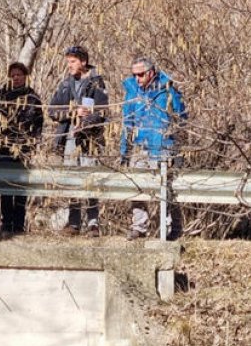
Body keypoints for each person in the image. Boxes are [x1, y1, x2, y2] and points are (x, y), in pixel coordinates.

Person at [120, 55, 187, 240]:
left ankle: (172, 228)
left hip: (163, 145)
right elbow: (127, 122)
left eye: (140, 75)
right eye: (134, 75)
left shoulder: (167, 89)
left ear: (151, 73)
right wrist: (124, 151)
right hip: (142, 144)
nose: (137, 79)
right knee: (137, 185)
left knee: (166, 189)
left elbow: (181, 117)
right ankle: (139, 225)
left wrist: (172, 140)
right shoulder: (132, 91)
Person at [48, 45, 108, 236]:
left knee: (90, 179)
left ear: (83, 61)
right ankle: (73, 223)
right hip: (69, 139)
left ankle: (93, 223)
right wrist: (72, 113)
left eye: (73, 62)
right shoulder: (65, 85)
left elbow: (103, 111)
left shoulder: (96, 82)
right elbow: (52, 111)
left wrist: (86, 120)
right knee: (72, 180)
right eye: (68, 62)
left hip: (90, 138)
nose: (70, 66)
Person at [0, 62, 44, 233]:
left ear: (25, 76)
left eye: (19, 75)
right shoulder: (1, 95)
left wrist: (31, 140)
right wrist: (5, 133)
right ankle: (6, 223)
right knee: (6, 186)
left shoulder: (33, 97)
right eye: (13, 75)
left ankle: (19, 224)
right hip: (4, 145)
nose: (16, 78)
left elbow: (38, 122)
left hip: (24, 146)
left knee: (21, 186)